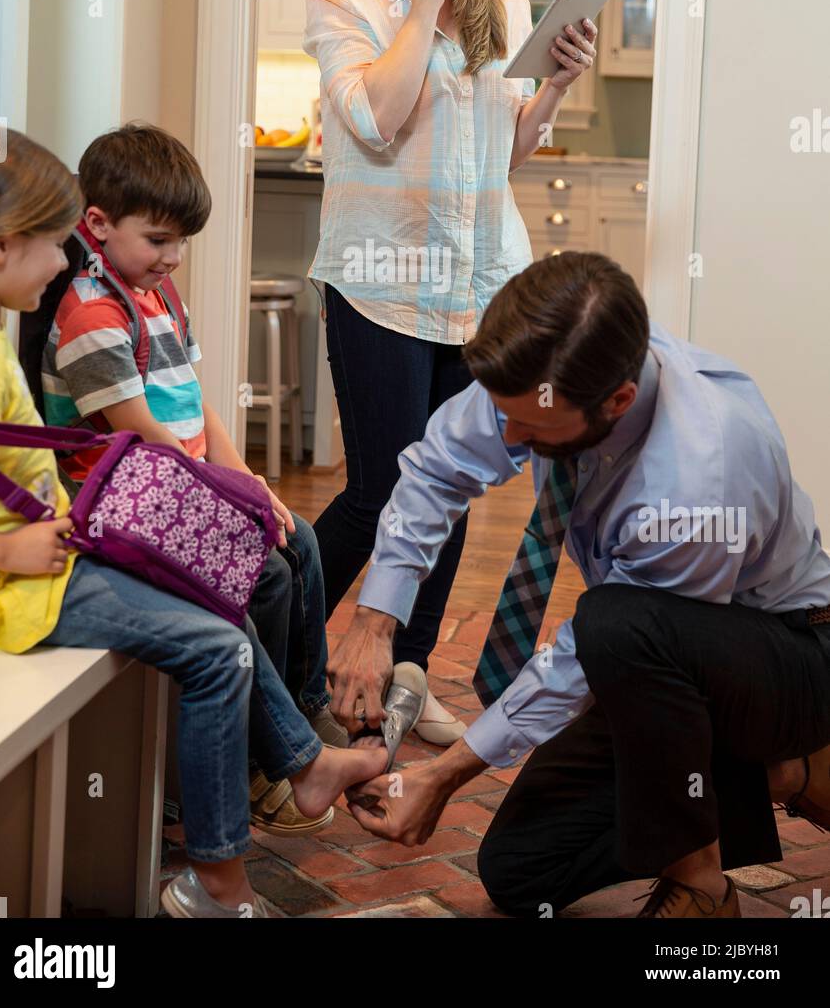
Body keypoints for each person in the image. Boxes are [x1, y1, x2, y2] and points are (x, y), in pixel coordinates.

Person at [328, 251, 830, 919]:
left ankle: (708, 880)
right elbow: (437, 469)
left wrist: (444, 776)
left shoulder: (698, 479)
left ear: (618, 401)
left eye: (531, 426)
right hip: (665, 657)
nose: (508, 435)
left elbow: (584, 662)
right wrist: (375, 621)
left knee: (614, 626)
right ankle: (765, 772)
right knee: (520, 870)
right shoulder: (545, 370)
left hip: (790, 653)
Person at [0, 129, 387, 919]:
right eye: (51, 247)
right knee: (220, 645)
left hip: (48, 563)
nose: (62, 267)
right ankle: (219, 877)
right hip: (6, 591)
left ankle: (297, 766)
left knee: (227, 618)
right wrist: (9, 550)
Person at [304, 0, 596, 745]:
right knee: (379, 488)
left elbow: (497, 155)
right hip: (381, 279)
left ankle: (407, 676)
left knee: (454, 484)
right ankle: (269, 638)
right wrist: (422, 5)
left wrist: (550, 88)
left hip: (478, 283)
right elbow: (377, 119)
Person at [40, 122, 348, 837]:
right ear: (98, 225)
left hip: (177, 485)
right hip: (124, 503)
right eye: (158, 241)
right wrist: (231, 504)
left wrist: (252, 484)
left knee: (298, 538)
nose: (172, 258)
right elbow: (144, 433)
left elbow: (195, 405)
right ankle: (262, 765)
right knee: (261, 576)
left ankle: (303, 711)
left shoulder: (159, 296)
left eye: (181, 243)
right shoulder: (90, 312)